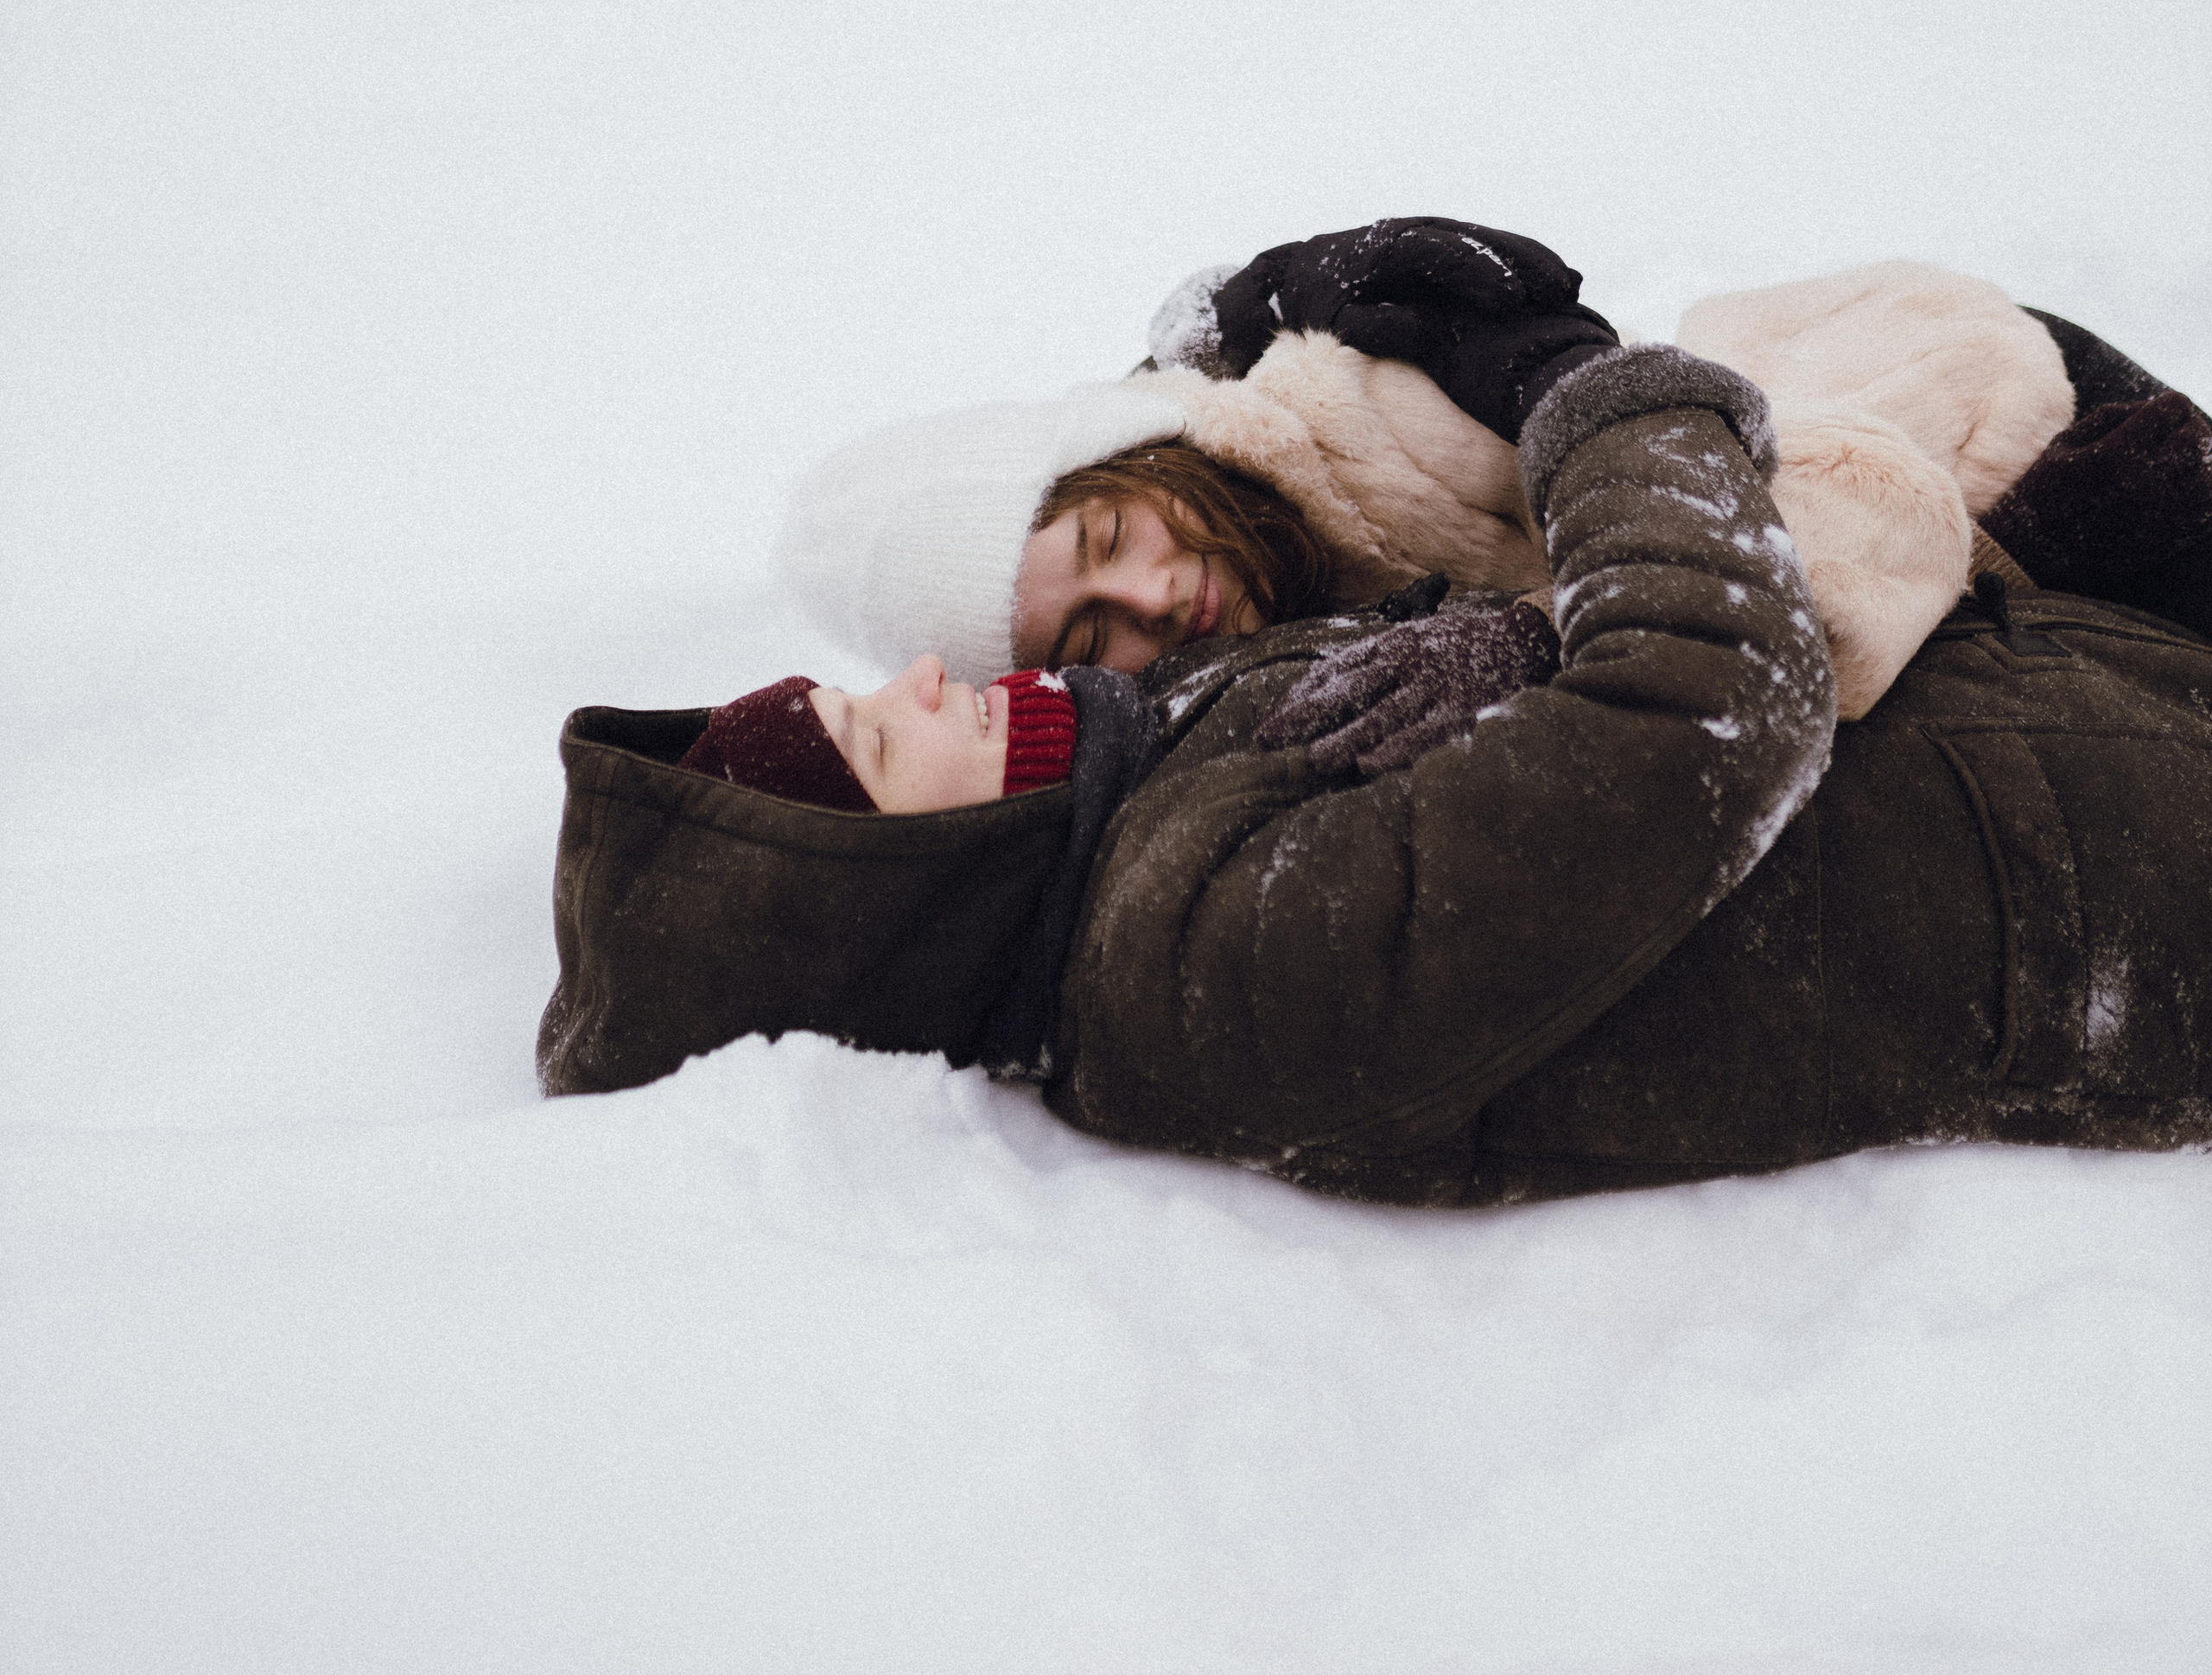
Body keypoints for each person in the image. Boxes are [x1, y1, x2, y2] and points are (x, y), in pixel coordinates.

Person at [537, 321, 2212, 1202]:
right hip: (2137, 863)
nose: (915, 681)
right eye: (864, 738)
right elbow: (1705, 707)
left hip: (2087, 707)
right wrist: (1608, 418)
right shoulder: (1217, 969)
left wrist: (1516, 630)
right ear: (869, 887)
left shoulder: (1132, 790)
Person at [774, 221, 2088, 720]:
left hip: (1957, 421)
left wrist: (1537, 641)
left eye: (1116, 543)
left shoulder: (1373, 415)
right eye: (1090, 633)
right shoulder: (1241, 654)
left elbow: (1757, 516)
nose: (1159, 599)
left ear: (1126, 461)